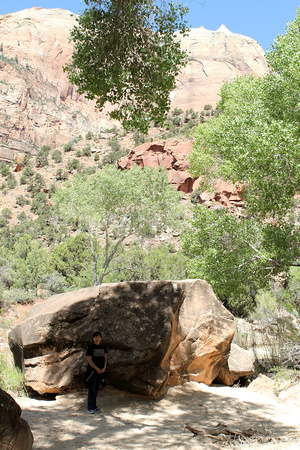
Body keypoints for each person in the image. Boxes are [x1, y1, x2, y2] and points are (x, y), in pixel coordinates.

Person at [85, 331, 108, 414]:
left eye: (98, 337)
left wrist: (104, 367)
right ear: (93, 339)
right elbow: (89, 360)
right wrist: (97, 369)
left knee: (96, 389)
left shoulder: (103, 346)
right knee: (92, 389)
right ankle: (90, 407)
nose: (97, 339)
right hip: (92, 371)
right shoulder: (91, 347)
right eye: (95, 337)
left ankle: (94, 406)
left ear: (101, 338)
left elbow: (105, 357)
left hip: (101, 371)